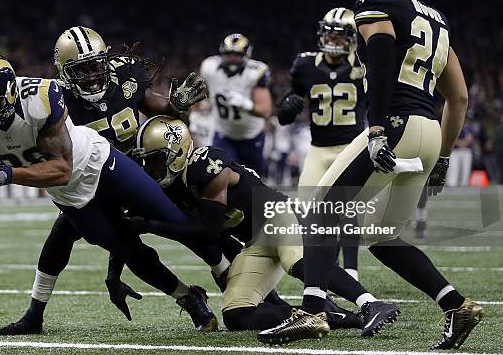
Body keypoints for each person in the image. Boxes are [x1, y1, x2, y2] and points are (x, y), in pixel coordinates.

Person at [258, 0, 482, 349]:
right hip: (429, 128)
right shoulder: (435, 19)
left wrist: (377, 128)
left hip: (393, 123)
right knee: (381, 235)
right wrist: (444, 155)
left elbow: (380, 63)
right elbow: (460, 96)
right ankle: (456, 304)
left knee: (320, 209)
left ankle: (312, 311)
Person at [0, 52, 217, 338]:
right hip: (69, 196)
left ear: (9, 96)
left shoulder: (40, 98)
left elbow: (62, 169)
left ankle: (229, 271)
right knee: (129, 250)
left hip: (97, 163)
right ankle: (189, 298)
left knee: (170, 218)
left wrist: (7, 174)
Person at [127, 115, 400, 336]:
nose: (150, 169)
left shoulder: (205, 164)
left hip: (280, 216)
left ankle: (371, 304)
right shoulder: (177, 186)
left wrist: (151, 225)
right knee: (236, 314)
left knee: (298, 262)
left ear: (176, 152)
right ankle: (332, 316)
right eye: (146, 163)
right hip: (256, 242)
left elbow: (207, 229)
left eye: (154, 161)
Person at [278, 7, 367, 280]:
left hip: (350, 147)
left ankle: (350, 269)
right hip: (318, 148)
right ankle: (327, 267)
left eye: (339, 36)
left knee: (345, 207)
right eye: (328, 33)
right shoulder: (304, 65)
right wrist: (289, 107)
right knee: (308, 210)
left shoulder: (363, 66)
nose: (332, 40)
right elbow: (284, 117)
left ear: (352, 38)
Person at [200, 33, 272, 175]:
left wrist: (246, 105)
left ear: (246, 55)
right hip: (223, 134)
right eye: (229, 54)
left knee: (254, 180)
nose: (232, 59)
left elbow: (265, 110)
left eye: (237, 54)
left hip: (251, 135)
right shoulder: (209, 67)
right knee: (221, 175)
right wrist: (198, 110)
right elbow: (198, 91)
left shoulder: (255, 72)